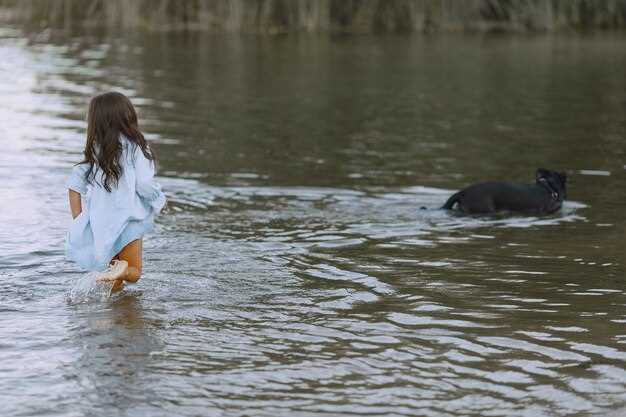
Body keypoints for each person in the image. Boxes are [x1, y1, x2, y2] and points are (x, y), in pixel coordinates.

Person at [65, 92, 165, 293]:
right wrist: (159, 199)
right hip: (129, 221)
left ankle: (109, 318)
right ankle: (121, 284)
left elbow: (74, 186)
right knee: (133, 273)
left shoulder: (96, 150)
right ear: (127, 116)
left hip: (101, 224)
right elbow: (144, 185)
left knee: (112, 277)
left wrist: (80, 221)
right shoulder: (137, 147)